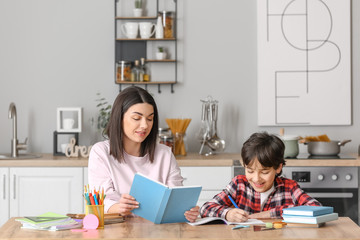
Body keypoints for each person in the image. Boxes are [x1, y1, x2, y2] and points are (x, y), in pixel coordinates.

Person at [88, 86, 199, 222]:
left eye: (150, 119)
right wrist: (119, 207)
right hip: (118, 229)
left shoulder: (164, 153)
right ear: (119, 118)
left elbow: (175, 198)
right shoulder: (101, 152)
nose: (145, 125)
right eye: (136, 118)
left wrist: (186, 211)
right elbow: (101, 201)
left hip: (158, 231)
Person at [200, 132, 321, 222]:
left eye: (264, 172)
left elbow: (316, 209)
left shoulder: (289, 187)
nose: (256, 178)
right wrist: (227, 213)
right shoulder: (238, 184)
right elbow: (205, 208)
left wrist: (264, 215)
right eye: (250, 171)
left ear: (278, 168)